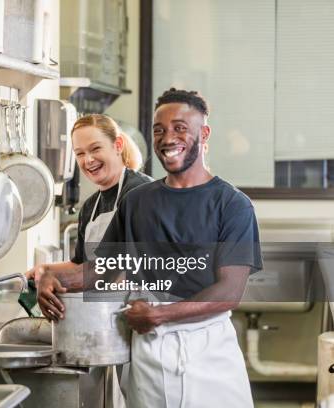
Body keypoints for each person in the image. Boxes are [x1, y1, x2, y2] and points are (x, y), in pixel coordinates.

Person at [37, 88, 263, 408]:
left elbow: (229, 291)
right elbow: (105, 268)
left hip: (208, 354)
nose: (168, 138)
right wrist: (53, 279)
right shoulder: (137, 202)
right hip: (150, 359)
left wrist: (159, 314)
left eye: (180, 128)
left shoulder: (232, 205)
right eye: (159, 130)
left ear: (204, 133)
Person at [25, 114, 151, 408]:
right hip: (107, 322)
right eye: (80, 154)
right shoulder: (91, 206)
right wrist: (44, 271)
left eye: (95, 149)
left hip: (141, 322)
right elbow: (82, 263)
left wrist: (55, 279)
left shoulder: (140, 193)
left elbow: (114, 268)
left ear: (118, 145)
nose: (88, 160)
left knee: (142, 396)